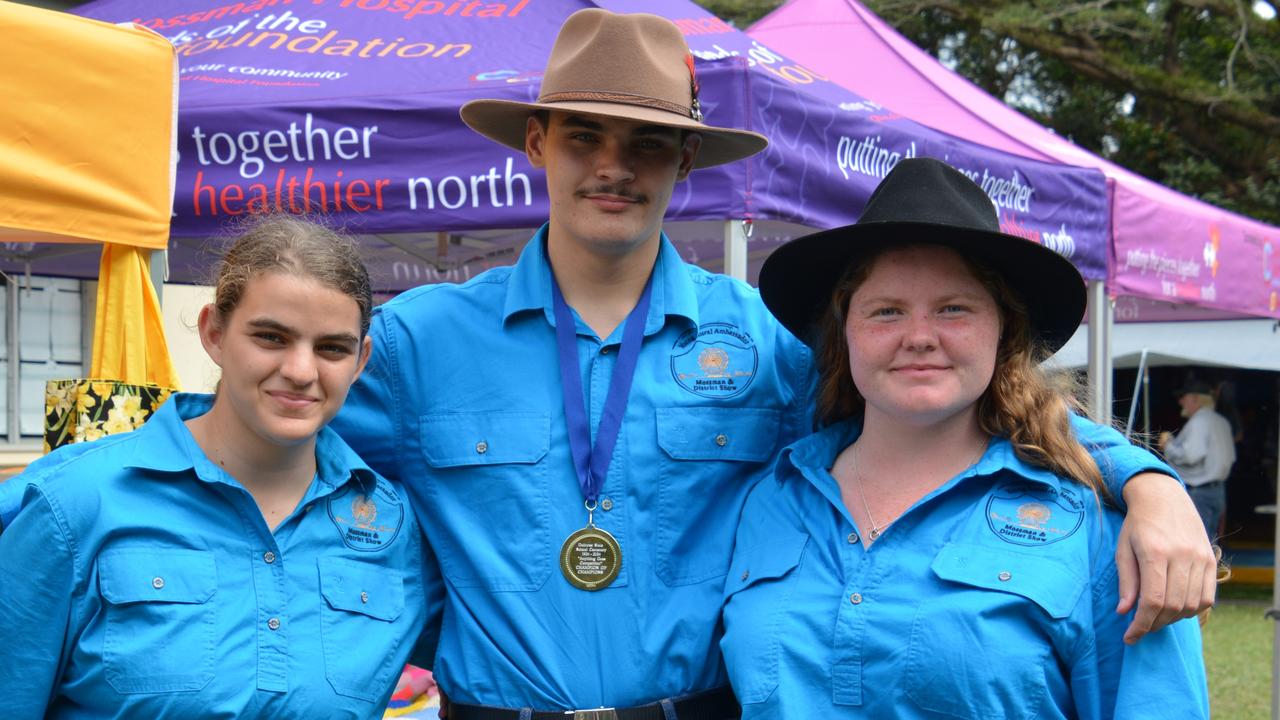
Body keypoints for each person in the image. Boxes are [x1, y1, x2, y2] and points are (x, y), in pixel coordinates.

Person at [331, 9, 1214, 717]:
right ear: (535, 142)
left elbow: (955, 402)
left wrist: (1147, 482)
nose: (613, 166)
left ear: (684, 160)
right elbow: (295, 467)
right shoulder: (418, 341)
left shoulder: (767, 344)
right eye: (582, 136)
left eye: (644, 143)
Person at [721, 158, 1209, 718]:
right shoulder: (772, 500)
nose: (920, 337)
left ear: (1003, 332)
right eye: (886, 311)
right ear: (844, 334)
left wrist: (1153, 484)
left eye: (954, 309)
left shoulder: (1102, 532)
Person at [0, 216, 429, 718]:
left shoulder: (392, 526)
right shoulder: (75, 504)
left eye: (332, 348)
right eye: (271, 337)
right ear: (214, 333)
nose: (300, 371)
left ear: (361, 361)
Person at [1160, 380, 1237, 539]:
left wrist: (1168, 445)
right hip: (1217, 491)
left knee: (1196, 542)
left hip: (1199, 492)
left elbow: (1190, 455)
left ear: (1196, 399)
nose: (1181, 401)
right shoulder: (1221, 421)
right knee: (1210, 544)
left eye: (1184, 397)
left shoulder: (1199, 422)